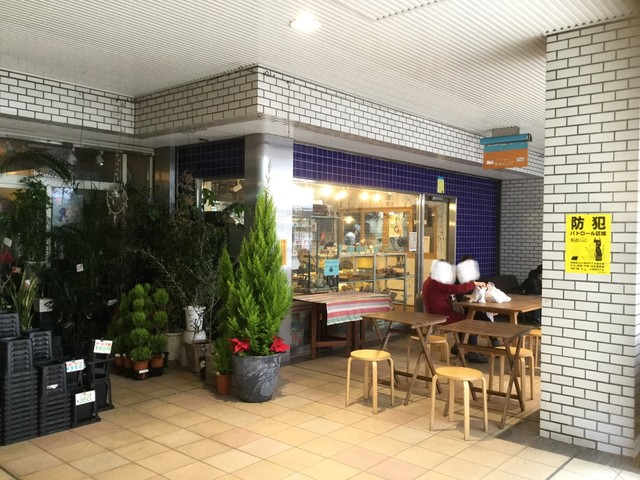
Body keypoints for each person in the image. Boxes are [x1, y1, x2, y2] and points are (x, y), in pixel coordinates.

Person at [422, 258, 488, 363]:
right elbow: (456, 289)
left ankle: (458, 347)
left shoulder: (430, 281)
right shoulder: (437, 282)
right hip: (441, 315)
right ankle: (472, 353)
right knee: (470, 322)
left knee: (467, 319)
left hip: (435, 312)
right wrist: (474, 283)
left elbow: (445, 293)